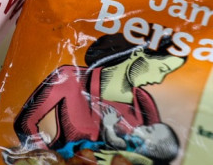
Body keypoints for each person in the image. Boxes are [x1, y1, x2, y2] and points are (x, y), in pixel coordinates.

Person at [13, 33, 187, 150]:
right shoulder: (69, 77)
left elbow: (156, 151)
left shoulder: (143, 101)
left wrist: (134, 164)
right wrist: (49, 164)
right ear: (137, 53)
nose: (159, 80)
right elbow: (25, 122)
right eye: (162, 69)